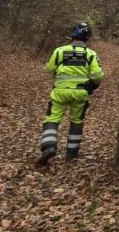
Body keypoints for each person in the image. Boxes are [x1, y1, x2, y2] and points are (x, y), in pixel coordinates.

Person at [38, 22, 104, 165]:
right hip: (80, 93)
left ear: (73, 35)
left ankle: (49, 147)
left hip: (60, 92)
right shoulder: (91, 54)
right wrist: (92, 84)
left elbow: (49, 69)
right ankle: (71, 155)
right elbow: (98, 75)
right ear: (87, 38)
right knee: (76, 121)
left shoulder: (60, 51)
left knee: (52, 118)